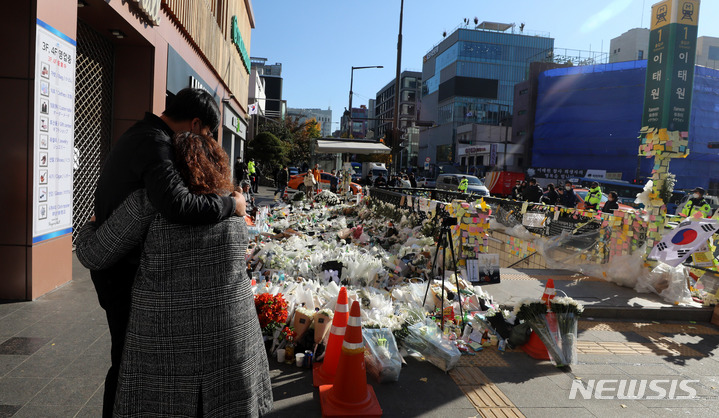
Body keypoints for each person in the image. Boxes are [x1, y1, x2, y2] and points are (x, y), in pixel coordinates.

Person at [76, 132, 272, 417]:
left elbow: (93, 254)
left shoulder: (149, 203)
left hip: (164, 339)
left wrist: (90, 227)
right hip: (232, 334)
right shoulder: (232, 206)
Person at [89, 88, 242, 417]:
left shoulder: (143, 135)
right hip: (120, 270)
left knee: (131, 363)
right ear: (196, 123)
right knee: (127, 364)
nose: (204, 142)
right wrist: (232, 204)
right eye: (206, 134)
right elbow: (179, 205)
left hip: (120, 259)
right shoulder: (153, 143)